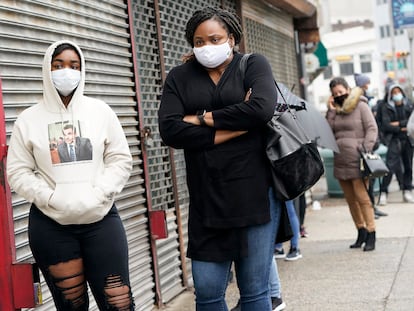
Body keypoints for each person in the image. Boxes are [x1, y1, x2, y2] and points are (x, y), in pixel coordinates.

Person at [158, 7, 279, 310]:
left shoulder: (253, 65)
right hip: (206, 199)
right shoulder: (179, 77)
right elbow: (170, 130)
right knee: (208, 293)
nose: (207, 47)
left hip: (253, 194)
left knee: (254, 292)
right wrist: (234, 129)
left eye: (215, 39)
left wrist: (198, 119)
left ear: (232, 38)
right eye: (199, 42)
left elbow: (261, 110)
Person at [6, 40, 134, 310]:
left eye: (74, 66)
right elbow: (18, 171)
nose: (67, 71)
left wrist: (99, 193)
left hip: (101, 220)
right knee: (72, 306)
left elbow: (120, 159)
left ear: (82, 69)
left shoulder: (100, 112)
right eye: (59, 65)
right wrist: (51, 197)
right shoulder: (28, 119)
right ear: (47, 69)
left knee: (119, 304)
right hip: (51, 226)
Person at [326, 77, 378, 251]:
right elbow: (328, 132)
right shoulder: (336, 111)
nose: (339, 95)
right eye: (335, 94)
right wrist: (331, 111)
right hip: (340, 160)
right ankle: (360, 230)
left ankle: (371, 232)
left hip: (358, 160)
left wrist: (364, 148)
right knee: (350, 200)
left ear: (348, 89)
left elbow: (372, 128)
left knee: (363, 198)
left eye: (341, 92)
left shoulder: (361, 105)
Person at [354, 73, 388, 218]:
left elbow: (372, 127)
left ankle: (372, 207)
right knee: (365, 183)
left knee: (371, 180)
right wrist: (366, 147)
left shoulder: (367, 102)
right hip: (362, 151)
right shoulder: (359, 103)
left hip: (369, 148)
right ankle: (369, 210)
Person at [377, 83, 414, 205]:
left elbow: (411, 123)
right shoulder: (386, 107)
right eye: (394, 92)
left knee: (408, 166)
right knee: (390, 166)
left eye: (398, 92)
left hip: (408, 139)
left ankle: (407, 190)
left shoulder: (409, 105)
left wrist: (397, 124)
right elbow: (386, 125)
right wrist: (402, 127)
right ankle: (384, 192)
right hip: (393, 139)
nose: (397, 95)